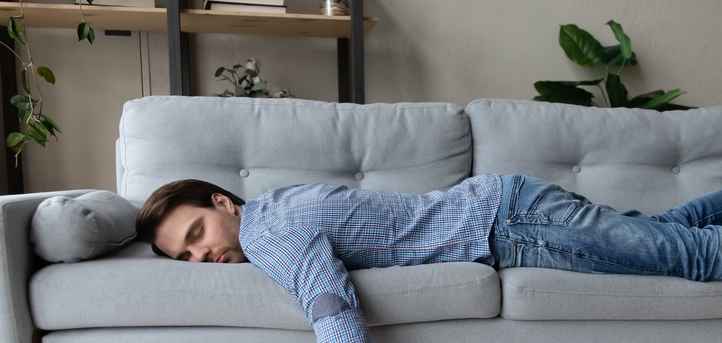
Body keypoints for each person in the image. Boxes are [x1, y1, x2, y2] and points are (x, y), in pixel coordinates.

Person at [135, 174, 722, 343]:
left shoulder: (265, 230)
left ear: (223, 203)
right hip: (512, 204)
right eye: (185, 256)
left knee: (689, 258)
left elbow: (327, 298)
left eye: (197, 232)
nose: (201, 254)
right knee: (664, 233)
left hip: (515, 225)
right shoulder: (278, 201)